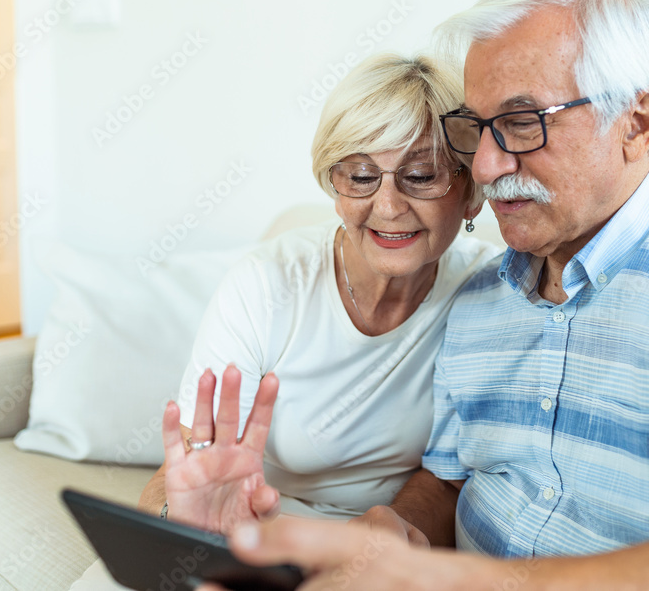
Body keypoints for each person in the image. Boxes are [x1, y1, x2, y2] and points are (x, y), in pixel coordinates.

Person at [206, 0, 649, 590]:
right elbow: (446, 480)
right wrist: (396, 528)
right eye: (475, 129)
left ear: (637, 123)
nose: (491, 165)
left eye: (524, 123)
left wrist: (440, 578)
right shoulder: (477, 302)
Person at [68, 51, 500, 589]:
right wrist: (187, 524)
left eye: (422, 175)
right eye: (361, 175)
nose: (388, 206)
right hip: (252, 532)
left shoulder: (490, 294)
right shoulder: (267, 283)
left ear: (469, 190)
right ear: (334, 186)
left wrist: (387, 535)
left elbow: (449, 479)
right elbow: (182, 476)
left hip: (378, 551)